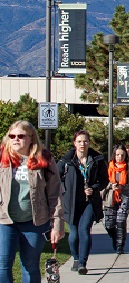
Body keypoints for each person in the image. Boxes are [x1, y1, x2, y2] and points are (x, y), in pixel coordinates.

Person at [0, 120, 65, 283]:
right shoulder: (2, 158)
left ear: (31, 138)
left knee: (30, 266)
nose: (15, 139)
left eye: (21, 136)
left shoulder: (44, 160)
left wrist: (57, 225)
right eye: (12, 136)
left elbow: (55, 195)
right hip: (5, 220)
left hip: (34, 222)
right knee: (3, 265)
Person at [57, 129, 108, 275]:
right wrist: (64, 190)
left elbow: (104, 180)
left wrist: (94, 188)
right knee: (73, 235)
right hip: (71, 202)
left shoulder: (97, 160)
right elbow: (56, 177)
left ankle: (82, 263)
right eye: (79, 141)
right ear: (74, 143)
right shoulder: (66, 161)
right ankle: (75, 257)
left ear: (89, 143)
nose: (82, 144)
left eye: (85, 141)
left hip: (89, 202)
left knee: (84, 230)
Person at [103, 144, 129, 254]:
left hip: (125, 196)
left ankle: (120, 245)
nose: (119, 157)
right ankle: (115, 238)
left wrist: (123, 186)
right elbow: (103, 182)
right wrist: (111, 186)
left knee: (121, 220)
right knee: (109, 224)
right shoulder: (108, 167)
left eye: (122, 155)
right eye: (117, 155)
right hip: (111, 197)